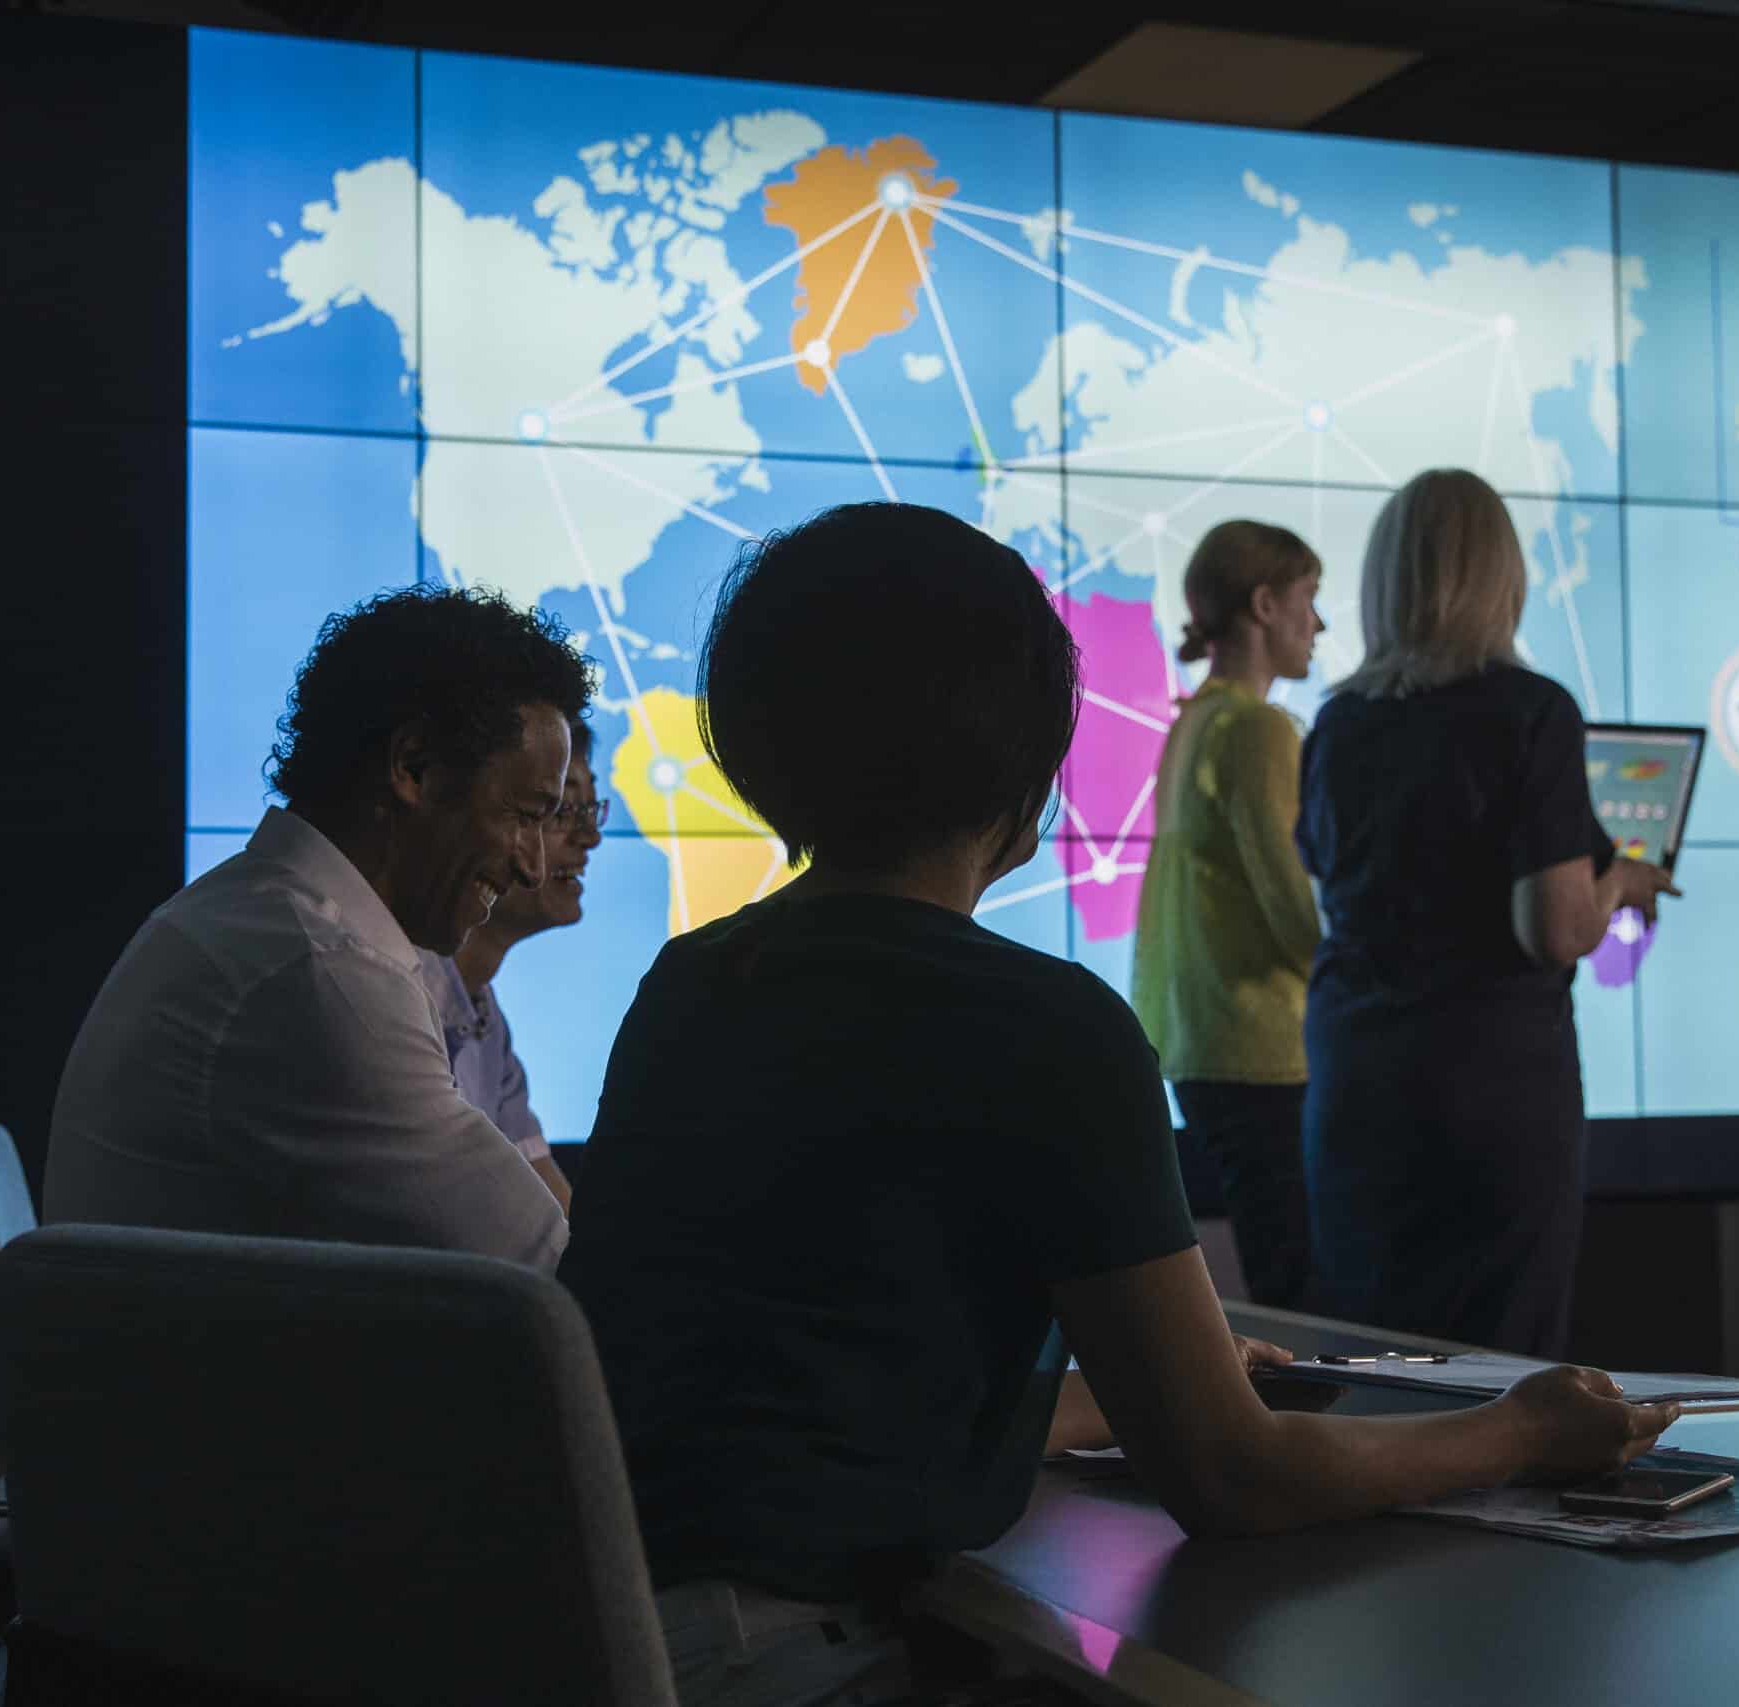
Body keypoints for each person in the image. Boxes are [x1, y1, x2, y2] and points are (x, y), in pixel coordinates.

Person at [562, 502, 1677, 1707]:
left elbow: (809, 1407)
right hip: (803, 1664)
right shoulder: (1043, 1027)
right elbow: (1234, 1479)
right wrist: (1523, 1431)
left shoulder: (691, 984)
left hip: (615, 1641)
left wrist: (1113, 1398)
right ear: (1028, 770)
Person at [46, 585, 589, 1271]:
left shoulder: (254, 921)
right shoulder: (323, 975)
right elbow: (557, 1281)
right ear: (413, 767)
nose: (533, 865)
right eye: (524, 813)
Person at [1296, 469, 1679, 1358]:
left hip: (1356, 1082)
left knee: (1373, 1361)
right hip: (1489, 1092)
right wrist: (1622, 880)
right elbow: (1552, 929)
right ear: (1501, 576)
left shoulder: (1338, 722)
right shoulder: (1531, 712)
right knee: (1494, 1370)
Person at [1130, 520, 1326, 1310]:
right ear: (1265, 603)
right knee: (1305, 1284)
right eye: (1310, 599)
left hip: (1201, 1040)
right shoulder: (1256, 726)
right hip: (1262, 1044)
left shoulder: (1196, 718)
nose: (1318, 623)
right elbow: (1291, 901)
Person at [419, 717, 607, 1213]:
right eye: (561, 810)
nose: (591, 838)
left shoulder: (486, 1022)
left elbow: (552, 1214)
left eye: (592, 809)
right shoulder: (393, 994)